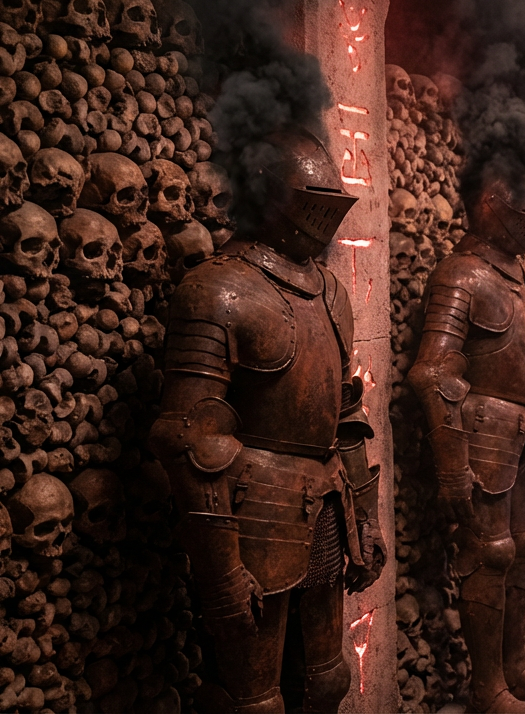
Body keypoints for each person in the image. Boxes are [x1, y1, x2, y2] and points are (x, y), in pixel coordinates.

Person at [147, 128, 386, 713]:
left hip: (325, 501)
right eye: (312, 200)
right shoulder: (218, 289)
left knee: (327, 681)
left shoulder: (330, 291)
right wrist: (222, 569)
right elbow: (191, 436)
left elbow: (345, 415)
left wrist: (365, 519)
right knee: (254, 701)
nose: (324, 216)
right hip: (250, 513)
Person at [408, 170, 525, 713]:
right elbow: (432, 373)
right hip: (480, 433)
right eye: (523, 213)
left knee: (523, 545)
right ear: (490, 205)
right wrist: (451, 465)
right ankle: (488, 689)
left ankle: (515, 669)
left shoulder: (517, 273)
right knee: (488, 553)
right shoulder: (461, 275)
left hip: (520, 430)